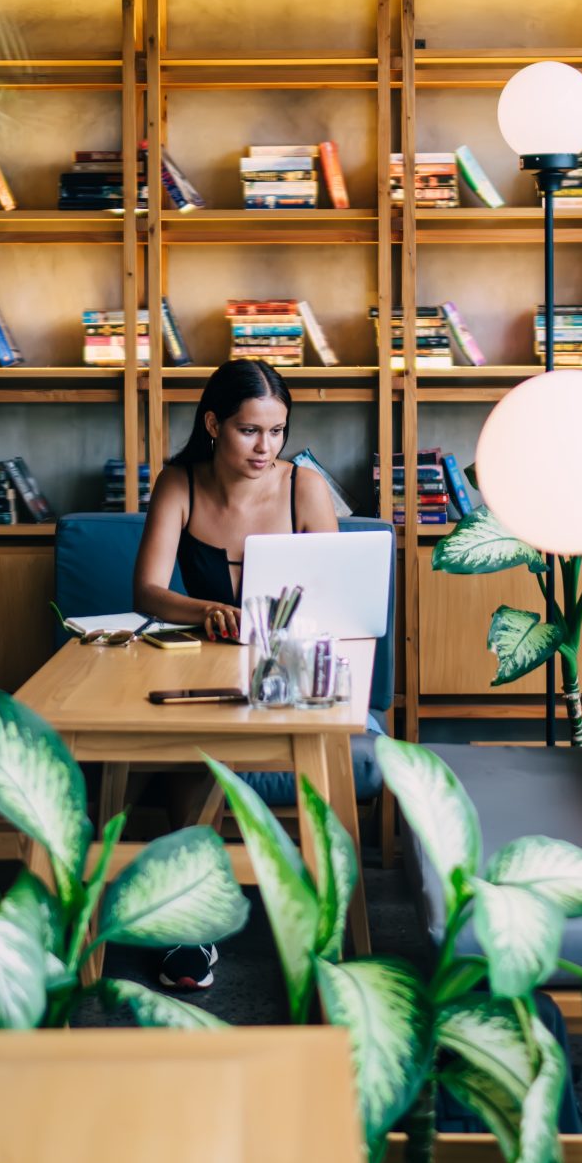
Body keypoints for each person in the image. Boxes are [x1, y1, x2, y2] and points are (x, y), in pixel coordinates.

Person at [129, 357, 338, 991]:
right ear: (214, 424)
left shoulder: (304, 486)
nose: (265, 447)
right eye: (251, 431)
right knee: (190, 741)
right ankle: (192, 911)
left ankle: (290, 907)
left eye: (276, 432)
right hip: (209, 661)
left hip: (292, 659)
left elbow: (334, 585)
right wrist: (207, 611)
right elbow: (147, 591)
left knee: (204, 746)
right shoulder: (180, 483)